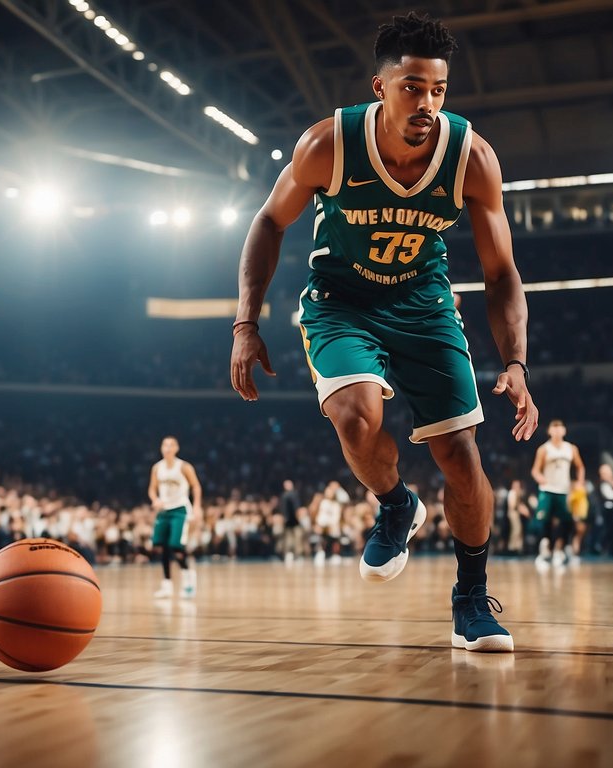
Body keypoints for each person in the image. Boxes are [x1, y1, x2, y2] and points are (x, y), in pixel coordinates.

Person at [229, 10, 535, 653]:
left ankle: (471, 598)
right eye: (412, 87)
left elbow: (501, 269)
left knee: (460, 457)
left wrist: (516, 362)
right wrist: (245, 323)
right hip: (342, 300)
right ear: (380, 87)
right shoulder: (327, 145)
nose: (426, 102)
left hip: (424, 303)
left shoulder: (471, 158)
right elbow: (267, 222)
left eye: (438, 90)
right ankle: (395, 503)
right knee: (355, 416)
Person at [148, 436, 202, 599]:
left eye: (171, 445)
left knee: (175, 546)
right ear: (161, 448)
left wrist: (197, 507)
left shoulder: (184, 466)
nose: (168, 448)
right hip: (164, 510)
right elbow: (152, 489)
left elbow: (196, 486)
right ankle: (167, 585)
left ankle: (188, 577)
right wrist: (155, 500)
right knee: (161, 546)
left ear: (176, 448)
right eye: (165, 445)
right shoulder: (157, 468)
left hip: (180, 509)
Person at [530, 419, 584, 568]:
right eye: (554, 427)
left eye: (560, 427)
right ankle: (544, 551)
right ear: (549, 431)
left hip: (564, 490)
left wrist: (580, 482)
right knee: (543, 519)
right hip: (548, 489)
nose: (557, 430)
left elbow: (580, 467)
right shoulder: (544, 449)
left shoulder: (571, 448)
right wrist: (539, 478)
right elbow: (535, 470)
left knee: (567, 521)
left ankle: (561, 550)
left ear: (564, 431)